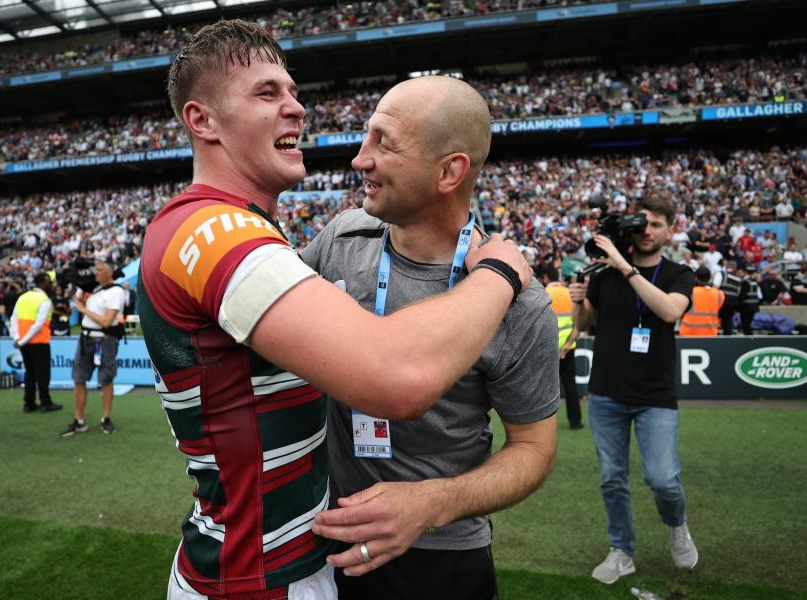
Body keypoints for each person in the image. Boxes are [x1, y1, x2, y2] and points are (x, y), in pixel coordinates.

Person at [140, 20, 530, 600]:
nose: (296, 108)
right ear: (202, 121)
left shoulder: (247, 233)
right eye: (267, 93)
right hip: (255, 580)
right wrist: (500, 274)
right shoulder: (214, 231)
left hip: (293, 560)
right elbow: (396, 378)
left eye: (293, 92)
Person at [303, 76, 558, 600]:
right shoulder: (341, 238)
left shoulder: (519, 303)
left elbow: (533, 449)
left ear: (450, 171)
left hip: (441, 559)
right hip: (324, 541)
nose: (359, 159)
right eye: (365, 136)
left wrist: (431, 504)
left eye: (383, 142)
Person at [569, 193, 698, 585]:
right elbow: (586, 324)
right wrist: (578, 302)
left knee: (662, 477)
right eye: (641, 223)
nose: (646, 230)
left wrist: (624, 266)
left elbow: (670, 311)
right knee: (612, 477)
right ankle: (621, 550)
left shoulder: (679, 273)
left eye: (656, 224)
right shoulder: (604, 275)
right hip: (607, 391)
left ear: (670, 230)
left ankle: (677, 524)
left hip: (654, 395)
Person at [61, 261, 126, 437]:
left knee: (106, 379)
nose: (95, 273)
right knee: (79, 378)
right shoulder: (95, 290)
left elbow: (106, 321)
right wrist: (73, 298)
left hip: (105, 340)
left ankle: (106, 418)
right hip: (85, 339)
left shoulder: (116, 291)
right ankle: (79, 420)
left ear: (109, 272)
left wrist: (82, 308)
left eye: (99, 270)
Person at [10, 273, 62, 414]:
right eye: (49, 282)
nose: (52, 285)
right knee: (43, 374)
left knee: (30, 373)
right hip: (39, 342)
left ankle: (29, 403)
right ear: (44, 282)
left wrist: (17, 338)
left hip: (23, 343)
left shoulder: (23, 297)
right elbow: (38, 325)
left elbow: (14, 318)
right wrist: (23, 340)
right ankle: (46, 403)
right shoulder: (44, 300)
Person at [546, 278, 583, 429]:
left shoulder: (544, 294)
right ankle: (575, 422)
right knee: (570, 385)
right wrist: (566, 346)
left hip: (547, 348)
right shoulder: (571, 295)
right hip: (567, 350)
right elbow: (578, 326)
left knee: (545, 388)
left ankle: (543, 423)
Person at [679, 267, 724, 337]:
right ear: (710, 278)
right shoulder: (719, 294)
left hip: (688, 333)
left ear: (696, 278)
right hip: (710, 334)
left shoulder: (689, 292)